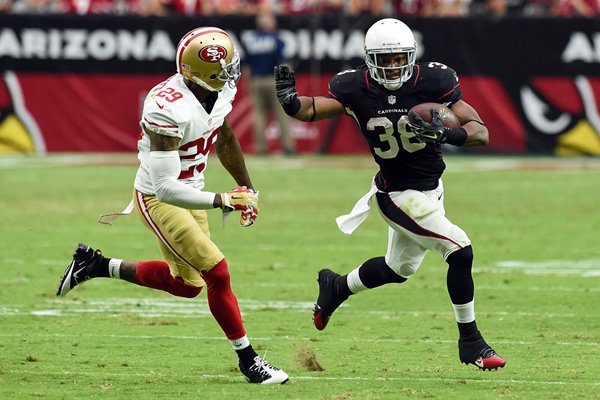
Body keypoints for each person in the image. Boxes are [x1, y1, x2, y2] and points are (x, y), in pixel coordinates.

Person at [56, 27, 288, 385]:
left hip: (191, 190)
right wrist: (223, 199)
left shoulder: (219, 89)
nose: (231, 74)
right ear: (201, 71)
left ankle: (96, 265)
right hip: (157, 197)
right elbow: (165, 188)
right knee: (218, 273)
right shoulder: (167, 107)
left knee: (188, 285)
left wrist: (248, 189)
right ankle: (250, 362)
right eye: (224, 67)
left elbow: (224, 138)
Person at [274, 18, 506, 371]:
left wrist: (446, 135)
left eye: (400, 58)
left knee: (399, 269)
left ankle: (336, 287)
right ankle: (471, 342)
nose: (394, 65)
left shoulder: (434, 80)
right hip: (396, 194)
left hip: (431, 190)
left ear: (412, 56)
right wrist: (291, 103)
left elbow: (479, 132)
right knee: (459, 250)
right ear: (369, 59)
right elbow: (311, 110)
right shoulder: (354, 86)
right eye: (387, 59)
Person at [243, 13, 295, 155]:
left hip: (256, 80)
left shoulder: (251, 41)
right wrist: (286, 83)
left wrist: (247, 83)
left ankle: (261, 148)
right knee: (282, 114)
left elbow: (247, 66)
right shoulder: (276, 39)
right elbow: (283, 62)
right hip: (273, 80)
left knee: (259, 115)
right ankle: (287, 146)